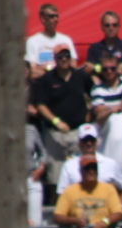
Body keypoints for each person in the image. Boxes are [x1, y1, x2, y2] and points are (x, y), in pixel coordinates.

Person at [31, 46, 92, 176]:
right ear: (55, 58)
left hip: (78, 132)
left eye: (67, 56)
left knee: (78, 173)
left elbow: (94, 95)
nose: (64, 59)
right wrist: (57, 121)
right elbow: (41, 105)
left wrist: (89, 114)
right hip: (55, 134)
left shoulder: (81, 76)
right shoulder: (47, 79)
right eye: (60, 57)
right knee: (55, 175)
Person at [59, 126, 122, 190]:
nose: (89, 143)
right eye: (85, 140)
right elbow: (61, 192)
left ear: (96, 142)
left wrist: (119, 202)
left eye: (92, 140)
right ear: (79, 142)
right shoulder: (69, 165)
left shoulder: (110, 163)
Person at [25, 4, 74, 74]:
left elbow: (73, 66)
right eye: (51, 16)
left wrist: (43, 68)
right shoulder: (32, 41)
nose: (55, 19)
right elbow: (31, 70)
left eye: (57, 16)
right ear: (43, 19)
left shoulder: (66, 40)